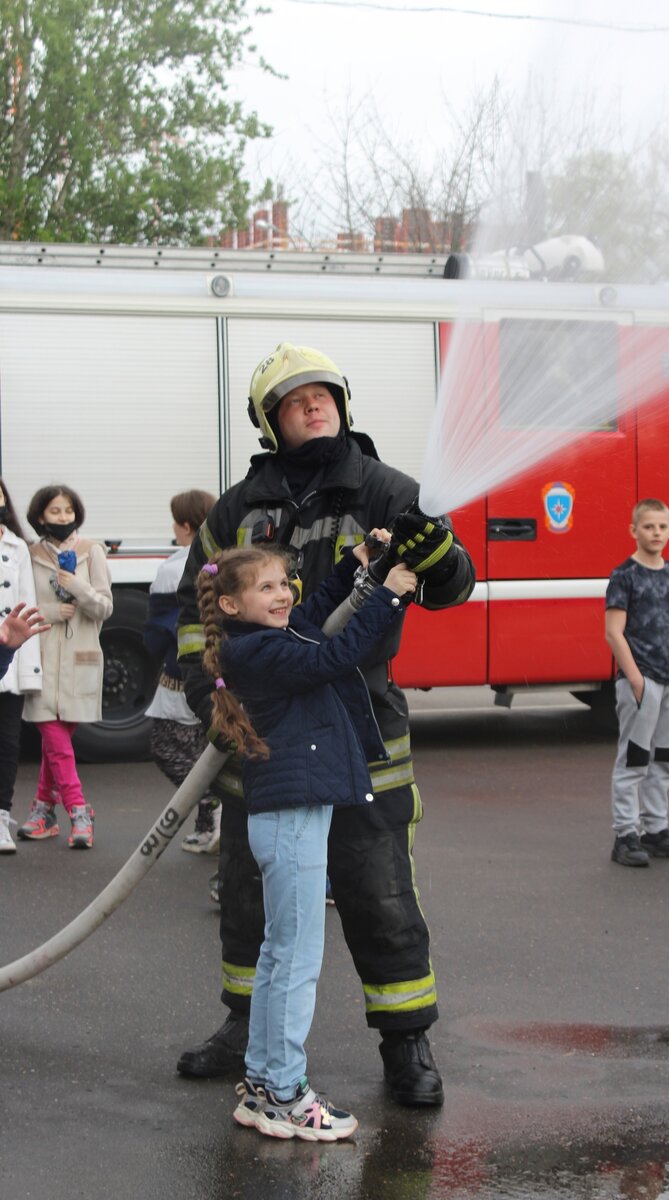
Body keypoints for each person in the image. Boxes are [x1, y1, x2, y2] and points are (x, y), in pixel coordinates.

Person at [176, 342, 475, 1106]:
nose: (315, 405)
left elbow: (453, 587)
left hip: (360, 726)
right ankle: (244, 1030)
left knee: (379, 890)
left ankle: (406, 1044)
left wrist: (436, 555)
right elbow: (196, 608)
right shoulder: (239, 508)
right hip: (262, 737)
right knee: (251, 892)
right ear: (271, 421)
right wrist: (208, 686)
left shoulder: (385, 490)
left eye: (325, 394)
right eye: (296, 398)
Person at [196, 537, 417, 1139]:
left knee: (278, 955)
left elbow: (315, 614)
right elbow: (336, 656)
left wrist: (355, 565)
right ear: (233, 606)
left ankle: (265, 1085)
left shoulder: (268, 638)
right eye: (266, 587)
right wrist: (390, 597)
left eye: (283, 582)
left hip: (291, 815)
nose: (284, 593)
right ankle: (288, 1094)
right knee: (296, 961)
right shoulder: (263, 653)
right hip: (291, 819)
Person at [605, 498, 669, 867]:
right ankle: (626, 835)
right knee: (634, 759)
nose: (656, 533)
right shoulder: (624, 576)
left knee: (664, 759)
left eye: (662, 526)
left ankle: (656, 830)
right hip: (643, 682)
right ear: (634, 530)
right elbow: (614, 632)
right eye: (648, 526)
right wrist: (636, 680)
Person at [19, 485, 113, 849]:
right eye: (54, 511)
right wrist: (51, 612)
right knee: (55, 740)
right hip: (40, 661)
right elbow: (17, 605)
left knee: (54, 744)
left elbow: (105, 607)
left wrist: (78, 588)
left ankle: (43, 810)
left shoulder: (92, 552)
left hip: (80, 660)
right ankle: (78, 811)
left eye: (67, 511)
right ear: (40, 516)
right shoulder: (28, 555)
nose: (62, 517)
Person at [143, 489, 220, 853]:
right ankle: (209, 829)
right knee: (211, 748)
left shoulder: (173, 568)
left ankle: (212, 803)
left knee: (165, 745)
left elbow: (159, 632)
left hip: (181, 677)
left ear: (186, 525)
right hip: (221, 674)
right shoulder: (229, 560)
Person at [0, 479, 45, 854]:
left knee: (7, 744)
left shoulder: (16, 547)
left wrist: (29, 670)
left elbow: (27, 609)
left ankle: (1, 817)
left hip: (8, 663)